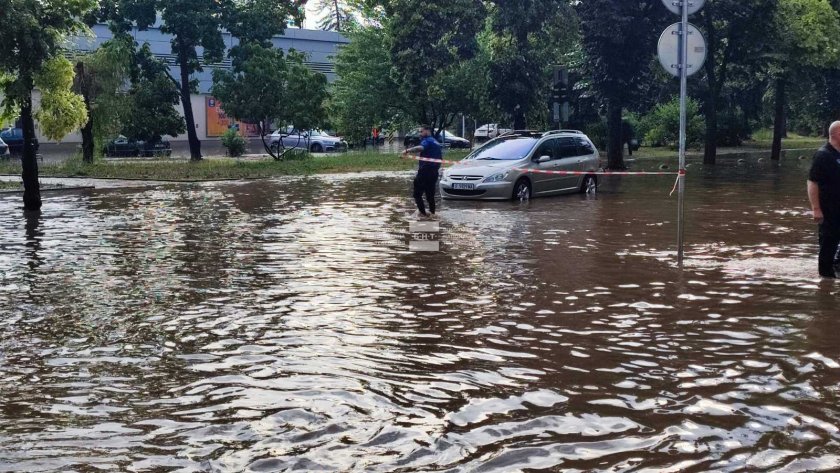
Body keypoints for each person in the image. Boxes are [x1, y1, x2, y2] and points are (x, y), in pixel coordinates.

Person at [807, 120, 840, 278]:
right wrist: (816, 208)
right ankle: (825, 284)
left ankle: (836, 271)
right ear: (837, 134)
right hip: (829, 210)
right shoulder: (823, 155)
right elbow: (812, 182)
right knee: (828, 244)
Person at [403, 126, 442, 219]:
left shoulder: (427, 140)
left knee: (416, 194)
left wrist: (407, 150)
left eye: (421, 131)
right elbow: (439, 159)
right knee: (430, 196)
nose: (420, 133)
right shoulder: (436, 142)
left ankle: (422, 215)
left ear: (428, 131)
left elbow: (421, 148)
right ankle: (432, 214)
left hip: (425, 171)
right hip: (434, 172)